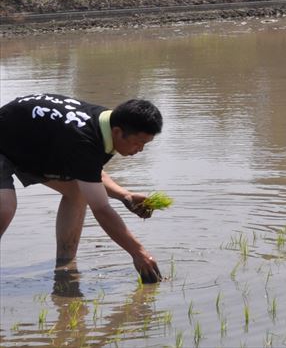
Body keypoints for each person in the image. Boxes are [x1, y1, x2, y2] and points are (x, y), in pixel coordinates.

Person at [0, 93, 164, 283]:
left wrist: (124, 195)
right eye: (138, 142)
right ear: (119, 132)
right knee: (4, 207)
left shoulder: (106, 124)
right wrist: (138, 252)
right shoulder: (84, 138)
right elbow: (101, 209)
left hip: (31, 148)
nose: (140, 149)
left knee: (78, 193)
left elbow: (90, 173)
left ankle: (64, 266)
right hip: (6, 142)